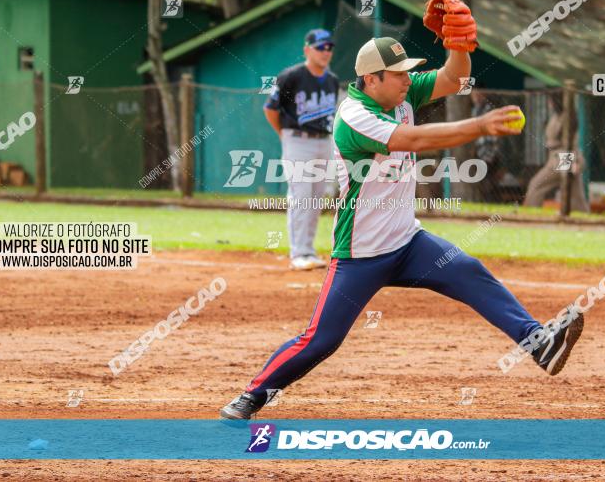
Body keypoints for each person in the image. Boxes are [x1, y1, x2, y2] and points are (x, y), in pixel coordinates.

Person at [220, 34, 585, 420]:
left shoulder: (401, 95)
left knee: (469, 271)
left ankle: (539, 344)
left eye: (407, 74)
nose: (408, 80)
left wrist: (457, 42)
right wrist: (479, 126)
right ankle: (251, 396)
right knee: (322, 340)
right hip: (359, 255)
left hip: (408, 243)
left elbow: (453, 78)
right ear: (371, 79)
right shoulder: (354, 116)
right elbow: (410, 138)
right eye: (398, 75)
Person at [264, 29, 339, 271]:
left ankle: (308, 250)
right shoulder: (291, 76)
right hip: (297, 139)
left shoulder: (332, 80)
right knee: (301, 197)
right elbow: (271, 109)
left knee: (316, 198)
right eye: (320, 47)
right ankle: (299, 253)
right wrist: (285, 135)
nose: (325, 52)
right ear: (307, 50)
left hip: (323, 140)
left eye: (329, 47)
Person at [523, 94, 589, 212]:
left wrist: (575, 161)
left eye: (550, 100)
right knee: (572, 189)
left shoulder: (568, 117)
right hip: (557, 156)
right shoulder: (556, 116)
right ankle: (582, 213)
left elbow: (570, 143)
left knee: (538, 185)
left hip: (563, 156)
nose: (549, 103)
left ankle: (531, 213)